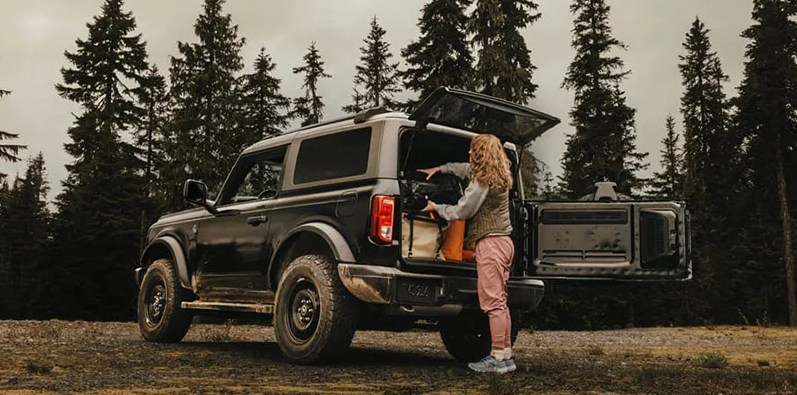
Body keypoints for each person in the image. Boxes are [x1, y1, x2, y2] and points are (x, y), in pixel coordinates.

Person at [418, 134, 516, 374]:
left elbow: (463, 210)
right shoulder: (500, 174)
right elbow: (465, 169)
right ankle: (505, 357)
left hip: (491, 244)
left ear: (480, 153)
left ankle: (497, 359)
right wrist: (441, 168)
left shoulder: (482, 182)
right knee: (501, 304)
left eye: (473, 151)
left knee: (493, 305)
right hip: (505, 243)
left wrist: (437, 208)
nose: (470, 154)